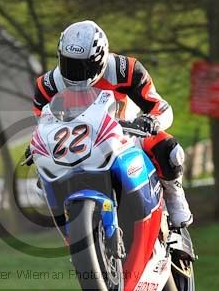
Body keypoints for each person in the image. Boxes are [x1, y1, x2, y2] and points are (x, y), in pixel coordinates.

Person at [31, 20, 193, 228]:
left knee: (169, 149)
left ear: (99, 59)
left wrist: (152, 121)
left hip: (124, 136)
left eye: (82, 66)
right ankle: (76, 231)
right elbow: (42, 125)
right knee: (41, 184)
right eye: (69, 64)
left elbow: (161, 107)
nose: (75, 73)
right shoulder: (47, 85)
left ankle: (173, 194)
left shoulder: (126, 69)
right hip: (75, 147)